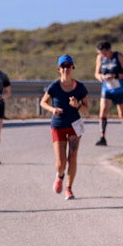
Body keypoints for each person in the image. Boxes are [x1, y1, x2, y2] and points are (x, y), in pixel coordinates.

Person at [39, 54, 89, 200]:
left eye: (68, 66)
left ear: (73, 68)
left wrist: (77, 105)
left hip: (74, 125)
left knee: (72, 158)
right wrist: (52, 109)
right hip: (58, 125)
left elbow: (86, 108)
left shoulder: (80, 87)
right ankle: (60, 175)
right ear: (59, 69)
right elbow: (43, 102)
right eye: (63, 66)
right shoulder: (54, 86)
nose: (66, 69)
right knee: (61, 163)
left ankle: (69, 188)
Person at [94, 40, 123, 146]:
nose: (103, 55)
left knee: (122, 113)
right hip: (107, 88)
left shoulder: (118, 56)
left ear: (109, 50)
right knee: (103, 111)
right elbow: (96, 73)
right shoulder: (100, 58)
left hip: (119, 88)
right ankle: (102, 136)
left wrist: (115, 76)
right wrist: (101, 77)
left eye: (104, 53)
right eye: (101, 53)